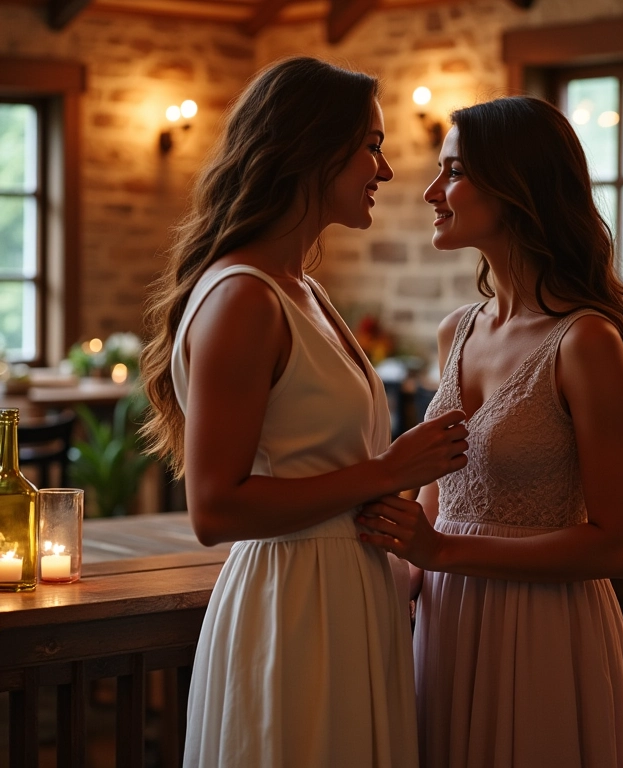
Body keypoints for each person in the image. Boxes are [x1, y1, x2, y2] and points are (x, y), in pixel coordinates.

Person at [139, 56, 468, 768]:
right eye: (372, 146)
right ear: (311, 148)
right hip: (293, 606)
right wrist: (386, 470)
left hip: (350, 597)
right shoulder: (242, 298)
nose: (384, 171)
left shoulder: (304, 292)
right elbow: (214, 510)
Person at [357, 95, 623, 768]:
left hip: (544, 632)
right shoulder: (455, 331)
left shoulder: (586, 342)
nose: (431, 191)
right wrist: (377, 579)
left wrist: (443, 554)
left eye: (454, 172)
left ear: (519, 186)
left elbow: (619, 546)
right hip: (448, 622)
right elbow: (439, 504)